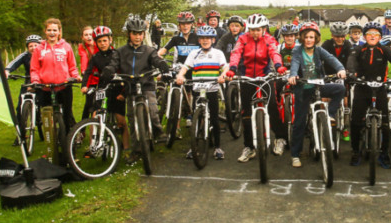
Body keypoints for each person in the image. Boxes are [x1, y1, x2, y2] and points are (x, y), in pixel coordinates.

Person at [103, 17, 170, 164]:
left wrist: (162, 65)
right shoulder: (121, 51)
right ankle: (136, 150)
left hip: (146, 85)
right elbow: (114, 64)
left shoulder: (149, 50)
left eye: (140, 33)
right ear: (129, 34)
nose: (138, 36)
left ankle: (158, 131)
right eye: (134, 33)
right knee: (132, 120)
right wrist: (109, 69)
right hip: (130, 87)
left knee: (153, 111)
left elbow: (156, 60)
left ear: (144, 34)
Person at [226, 13, 288, 162]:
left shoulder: (269, 39)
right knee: (246, 112)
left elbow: (274, 52)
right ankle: (249, 147)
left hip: (264, 77)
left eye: (258, 29)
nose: (255, 32)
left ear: (264, 29)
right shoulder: (242, 39)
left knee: (273, 106)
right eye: (252, 29)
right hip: (247, 77)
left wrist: (279, 66)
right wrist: (232, 69)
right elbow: (236, 54)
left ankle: (280, 138)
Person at [346, 21, 391, 169]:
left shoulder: (384, 49)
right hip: (362, 87)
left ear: (379, 37)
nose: (372, 36)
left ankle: (384, 154)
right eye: (369, 34)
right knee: (355, 121)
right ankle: (355, 151)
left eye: (376, 34)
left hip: (380, 89)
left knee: (385, 123)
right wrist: (351, 73)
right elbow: (351, 61)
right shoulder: (359, 49)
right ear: (365, 36)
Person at [287, 22, 346, 168]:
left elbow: (332, 59)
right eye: (306, 37)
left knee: (339, 89)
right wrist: (293, 75)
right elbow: (294, 64)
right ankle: (295, 154)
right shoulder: (297, 51)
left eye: (312, 37)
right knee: (299, 122)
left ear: (316, 38)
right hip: (303, 89)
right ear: (302, 38)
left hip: (318, 86)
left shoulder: (319, 51)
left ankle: (330, 115)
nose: (309, 40)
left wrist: (341, 69)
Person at [176, 25, 229, 161]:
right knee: (196, 118)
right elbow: (185, 67)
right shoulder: (194, 54)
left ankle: (217, 147)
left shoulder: (218, 53)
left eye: (208, 38)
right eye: (202, 38)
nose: (205, 40)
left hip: (211, 89)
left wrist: (223, 75)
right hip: (197, 90)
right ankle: (193, 147)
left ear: (213, 40)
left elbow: (225, 67)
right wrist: (181, 76)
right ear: (199, 40)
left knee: (215, 119)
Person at [81, 26, 129, 151]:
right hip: (102, 88)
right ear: (96, 42)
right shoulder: (95, 57)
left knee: (120, 119)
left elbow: (125, 73)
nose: (102, 44)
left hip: (117, 87)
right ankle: (93, 144)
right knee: (95, 115)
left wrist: (124, 92)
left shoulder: (116, 54)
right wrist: (84, 86)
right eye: (99, 41)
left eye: (105, 41)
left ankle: (127, 147)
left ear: (110, 40)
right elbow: (88, 71)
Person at [30, 18, 81, 129]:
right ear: (45, 31)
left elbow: (72, 66)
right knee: (48, 117)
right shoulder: (39, 49)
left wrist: (76, 76)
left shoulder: (66, 46)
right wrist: (35, 81)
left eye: (54, 30)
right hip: (45, 88)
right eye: (49, 30)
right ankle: (51, 141)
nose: (52, 33)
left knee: (67, 116)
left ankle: (68, 140)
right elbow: (34, 69)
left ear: (59, 31)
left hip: (64, 86)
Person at [5, 34, 42, 145]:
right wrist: (7, 70)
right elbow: (14, 62)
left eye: (36, 45)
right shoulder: (25, 55)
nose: (33, 48)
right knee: (20, 107)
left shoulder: (43, 55)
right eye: (30, 46)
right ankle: (20, 134)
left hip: (41, 81)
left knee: (44, 104)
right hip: (28, 81)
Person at [78, 26, 99, 121]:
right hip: (90, 77)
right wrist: (83, 71)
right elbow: (84, 60)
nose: (88, 37)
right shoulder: (82, 48)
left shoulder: (98, 45)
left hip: (100, 76)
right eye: (86, 35)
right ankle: (82, 128)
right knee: (89, 103)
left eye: (90, 34)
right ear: (82, 37)